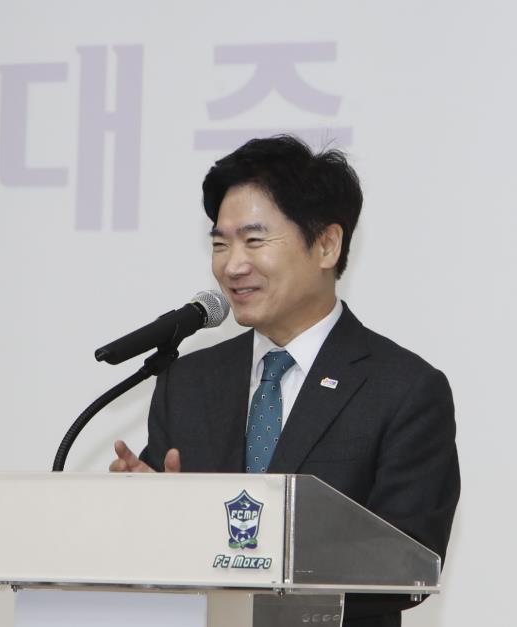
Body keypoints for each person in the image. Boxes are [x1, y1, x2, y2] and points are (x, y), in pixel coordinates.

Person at [109, 136, 460, 627]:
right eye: (220, 244)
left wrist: (247, 554)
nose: (232, 265)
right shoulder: (188, 382)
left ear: (327, 244)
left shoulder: (403, 389)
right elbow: (156, 546)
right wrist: (148, 517)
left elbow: (408, 563)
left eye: (254, 241)